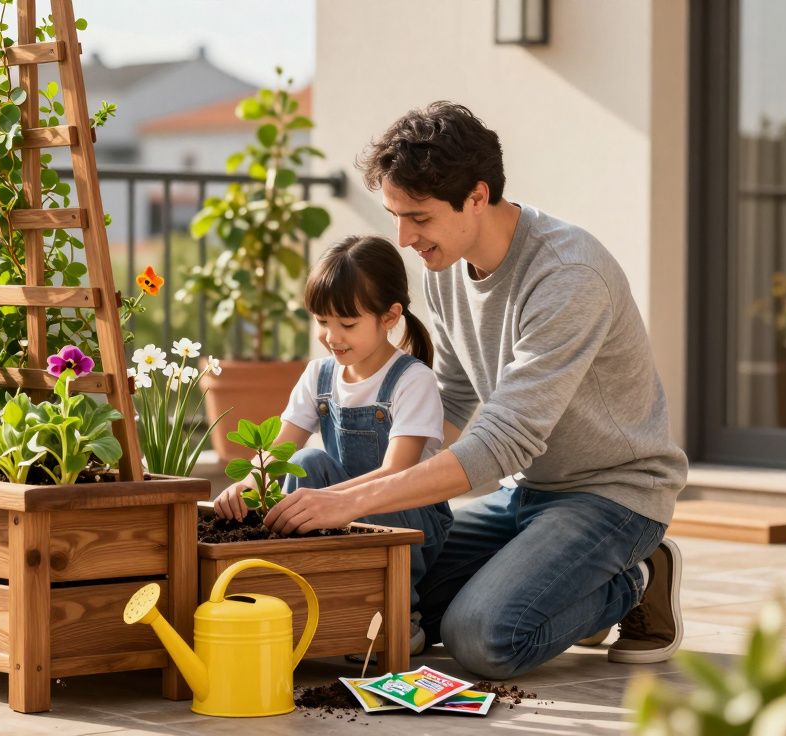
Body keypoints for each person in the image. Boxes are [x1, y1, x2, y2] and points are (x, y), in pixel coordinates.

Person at [260, 101, 689, 679]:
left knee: (483, 637)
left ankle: (637, 576)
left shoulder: (567, 276)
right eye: (394, 216)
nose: (404, 237)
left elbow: (506, 439)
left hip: (612, 494)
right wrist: (389, 483)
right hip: (528, 490)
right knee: (408, 600)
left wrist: (353, 500)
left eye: (419, 217)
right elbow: (456, 396)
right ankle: (567, 581)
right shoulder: (448, 268)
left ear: (478, 197)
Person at [213, 234, 455, 655]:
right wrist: (248, 483)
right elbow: (281, 448)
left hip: (411, 520)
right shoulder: (319, 375)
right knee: (306, 459)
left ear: (389, 316)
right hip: (342, 511)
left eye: (347, 324)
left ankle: (402, 610)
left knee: (354, 484)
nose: (331, 336)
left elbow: (398, 474)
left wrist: (324, 501)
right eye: (323, 322)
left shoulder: (411, 379)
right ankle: (317, 591)